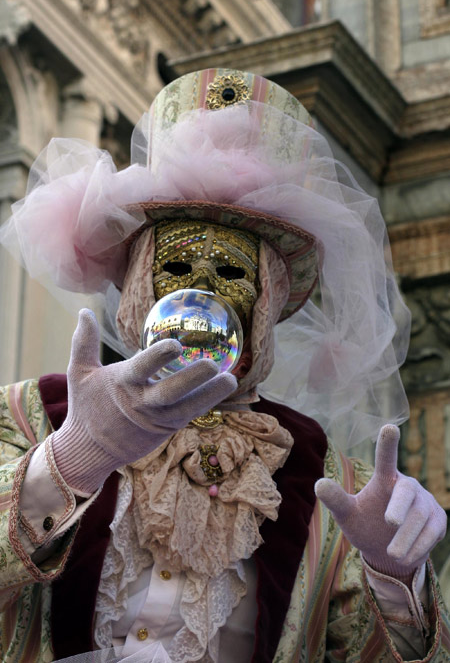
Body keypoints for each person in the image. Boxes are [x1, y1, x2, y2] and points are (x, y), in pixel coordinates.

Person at [0, 68, 448, 663]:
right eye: (179, 270)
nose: (203, 293)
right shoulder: (27, 419)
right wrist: (71, 459)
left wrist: (396, 584)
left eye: (234, 274)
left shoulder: (334, 488)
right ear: (138, 284)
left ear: (265, 302)